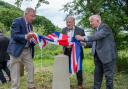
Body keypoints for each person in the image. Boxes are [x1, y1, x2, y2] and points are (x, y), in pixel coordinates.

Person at [75, 15, 117, 89]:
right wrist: (84, 44)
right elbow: (94, 42)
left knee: (109, 78)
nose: (90, 23)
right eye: (90, 22)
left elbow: (96, 37)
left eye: (91, 21)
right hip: (97, 58)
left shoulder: (105, 27)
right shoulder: (97, 30)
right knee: (97, 77)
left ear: (97, 20)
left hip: (107, 58)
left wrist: (83, 38)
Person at [7, 8, 36, 89]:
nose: (33, 18)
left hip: (27, 50)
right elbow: (14, 36)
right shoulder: (17, 21)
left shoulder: (30, 25)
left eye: (34, 16)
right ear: (25, 14)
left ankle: (31, 86)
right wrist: (26, 36)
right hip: (16, 50)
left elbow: (29, 38)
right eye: (32, 16)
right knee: (15, 71)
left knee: (31, 67)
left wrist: (34, 40)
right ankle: (15, 87)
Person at [62, 16, 85, 89]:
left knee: (78, 69)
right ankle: (66, 84)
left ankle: (80, 84)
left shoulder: (80, 30)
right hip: (67, 52)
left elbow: (84, 41)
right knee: (66, 68)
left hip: (77, 53)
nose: (68, 24)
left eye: (70, 22)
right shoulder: (63, 30)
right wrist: (65, 45)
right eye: (67, 22)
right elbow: (61, 41)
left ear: (74, 22)